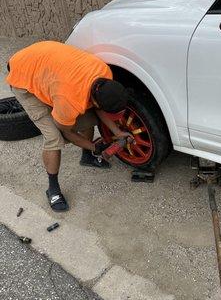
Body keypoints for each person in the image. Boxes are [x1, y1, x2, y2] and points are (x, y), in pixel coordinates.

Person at [6, 41, 131, 212]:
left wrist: (118, 132)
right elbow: (66, 132)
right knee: (53, 137)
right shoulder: (69, 100)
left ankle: (86, 157)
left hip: (44, 60)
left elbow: (97, 109)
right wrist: (95, 146)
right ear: (95, 99)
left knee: (90, 118)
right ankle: (52, 189)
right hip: (22, 74)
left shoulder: (104, 73)